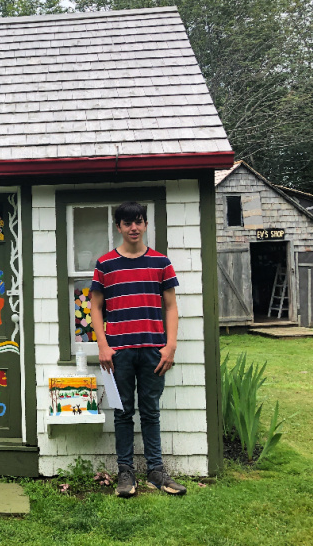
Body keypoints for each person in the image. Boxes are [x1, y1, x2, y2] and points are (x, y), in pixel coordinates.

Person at [89, 202, 187, 497]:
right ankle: (125, 473)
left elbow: (171, 306)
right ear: (118, 226)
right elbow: (95, 307)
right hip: (118, 353)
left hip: (153, 351)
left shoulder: (161, 262)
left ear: (145, 225)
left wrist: (170, 346)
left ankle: (156, 472)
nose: (134, 227)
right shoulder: (105, 264)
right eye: (127, 223)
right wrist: (103, 346)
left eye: (139, 222)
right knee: (122, 412)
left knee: (150, 412)